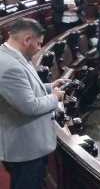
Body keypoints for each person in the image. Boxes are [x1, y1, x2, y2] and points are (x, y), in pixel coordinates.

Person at [0, 18, 68, 189]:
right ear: (27, 40)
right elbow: (29, 106)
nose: (39, 48)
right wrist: (55, 97)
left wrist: (49, 87)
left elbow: (27, 88)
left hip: (29, 145)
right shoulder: (9, 67)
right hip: (24, 150)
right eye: (38, 43)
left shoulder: (14, 56)